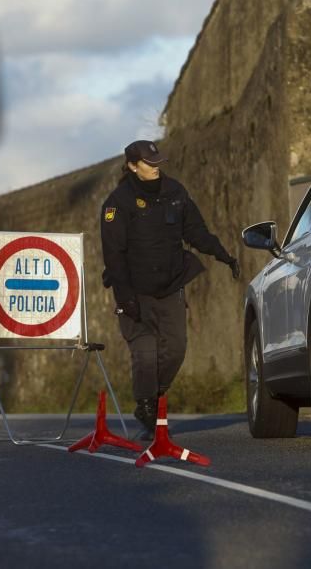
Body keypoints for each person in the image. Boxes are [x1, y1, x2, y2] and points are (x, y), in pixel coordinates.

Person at [100, 140, 240, 439]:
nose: (155, 168)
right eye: (149, 164)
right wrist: (125, 297)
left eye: (158, 162)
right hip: (135, 290)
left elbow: (196, 231)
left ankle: (151, 396)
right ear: (132, 166)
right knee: (146, 354)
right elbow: (113, 253)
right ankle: (146, 405)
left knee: (176, 348)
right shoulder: (117, 202)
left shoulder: (175, 192)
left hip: (171, 284)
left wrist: (223, 255)